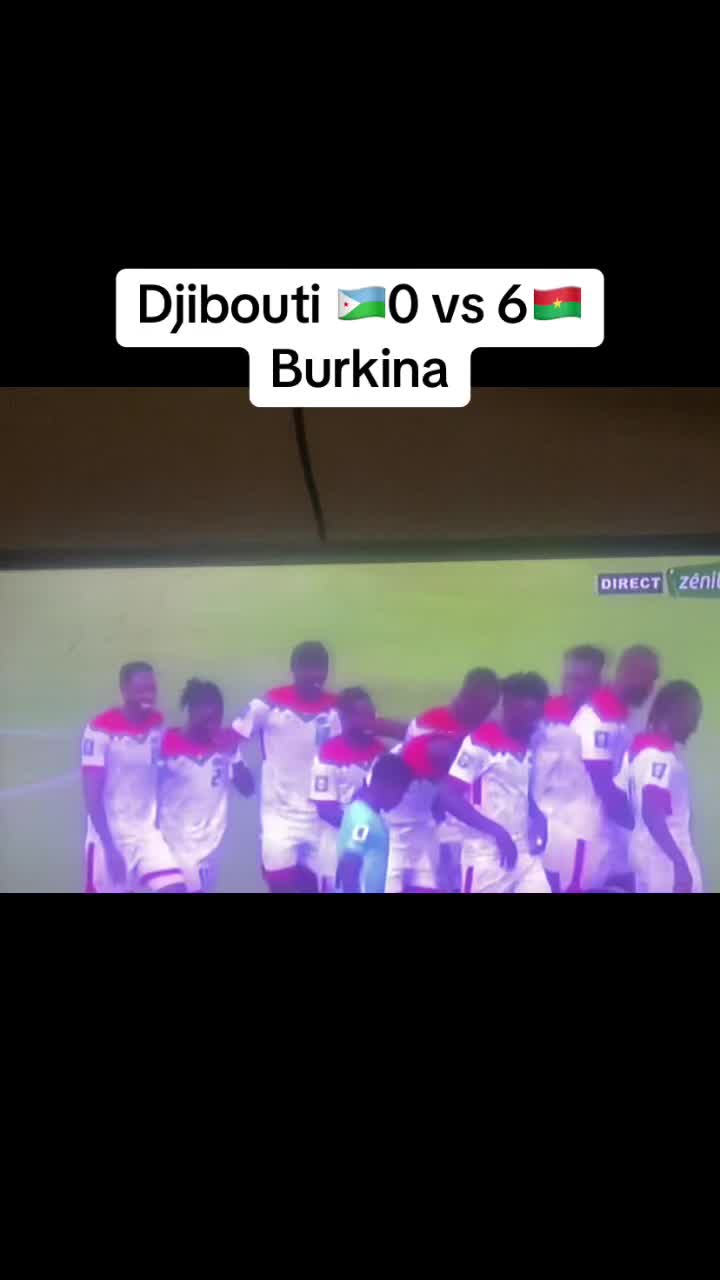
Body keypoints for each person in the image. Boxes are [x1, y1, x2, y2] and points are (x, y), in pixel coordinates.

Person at [233, 642, 340, 893]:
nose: (315, 675)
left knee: (327, 886)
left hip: (323, 818)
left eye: (320, 667)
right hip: (279, 817)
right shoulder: (268, 704)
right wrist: (237, 766)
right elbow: (231, 737)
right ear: (294, 669)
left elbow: (365, 734)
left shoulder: (338, 709)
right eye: (308, 667)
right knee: (281, 885)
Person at [81, 662, 187, 893]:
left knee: (175, 888)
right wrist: (109, 848)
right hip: (110, 838)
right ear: (124, 690)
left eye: (152, 689)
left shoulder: (158, 723)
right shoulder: (100, 730)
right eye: (141, 690)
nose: (148, 696)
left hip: (146, 835)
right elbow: (92, 798)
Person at [443, 673, 551, 893]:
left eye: (536, 716)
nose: (533, 723)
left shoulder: (526, 744)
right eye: (527, 716)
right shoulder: (480, 743)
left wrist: (538, 816)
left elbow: (519, 792)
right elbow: (448, 796)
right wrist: (497, 832)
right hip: (486, 855)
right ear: (509, 707)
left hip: (525, 853)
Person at [570, 645, 660, 890]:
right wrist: (646, 828)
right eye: (649, 679)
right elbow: (604, 788)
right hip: (588, 842)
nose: (651, 688)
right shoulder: (597, 718)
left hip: (612, 842)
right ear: (630, 671)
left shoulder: (620, 720)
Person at [404, 669, 501, 891]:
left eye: (491, 707)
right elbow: (426, 776)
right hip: (428, 824)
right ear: (467, 697)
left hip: (464, 823)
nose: (487, 713)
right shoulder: (429, 724)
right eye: (484, 706)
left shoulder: (482, 727)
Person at [157, 679, 254, 893]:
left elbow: (248, 788)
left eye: (217, 718)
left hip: (209, 848)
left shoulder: (225, 745)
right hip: (172, 844)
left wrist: (232, 753)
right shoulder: (166, 743)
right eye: (207, 719)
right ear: (192, 712)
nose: (212, 725)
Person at [614, 681, 703, 893]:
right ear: (674, 713)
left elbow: (621, 800)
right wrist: (679, 862)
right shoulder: (660, 757)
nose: (694, 727)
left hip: (643, 854)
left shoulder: (634, 754)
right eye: (692, 717)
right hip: (665, 861)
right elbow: (651, 811)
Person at [531, 645, 607, 893]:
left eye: (583, 679)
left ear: (598, 681)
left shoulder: (607, 723)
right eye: (570, 678)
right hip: (539, 823)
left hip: (581, 828)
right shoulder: (541, 716)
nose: (575, 686)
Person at [309, 687, 386, 892]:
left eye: (372, 715)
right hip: (337, 847)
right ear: (344, 718)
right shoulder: (328, 754)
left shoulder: (382, 753)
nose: (370, 721)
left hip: (374, 850)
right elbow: (326, 809)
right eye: (363, 716)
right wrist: (364, 826)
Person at [336, 754, 414, 893]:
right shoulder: (365, 819)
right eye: (400, 792)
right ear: (384, 785)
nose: (400, 799)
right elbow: (349, 862)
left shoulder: (362, 811)